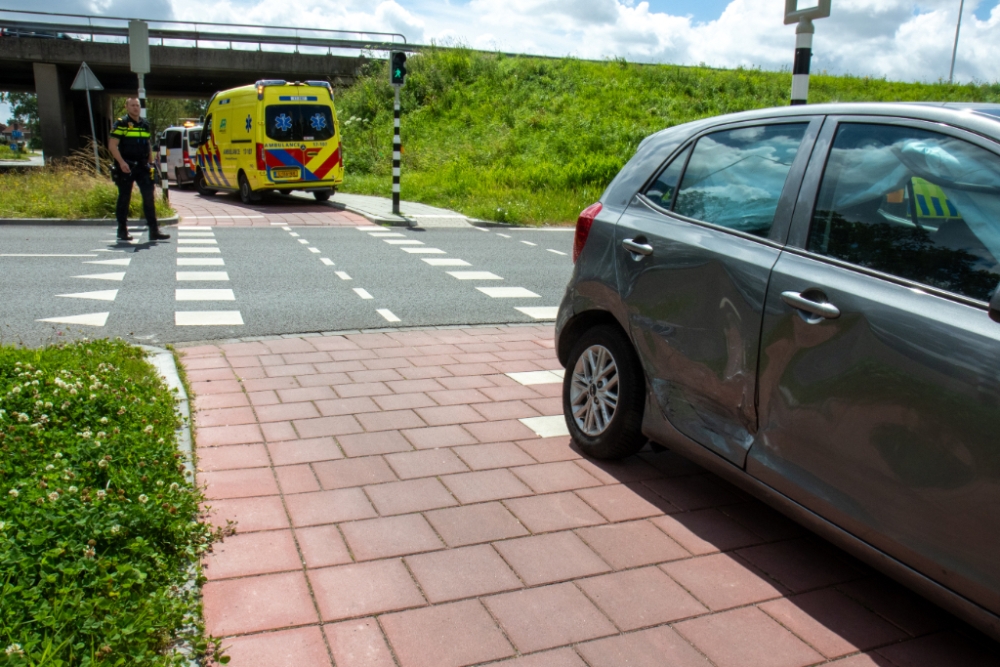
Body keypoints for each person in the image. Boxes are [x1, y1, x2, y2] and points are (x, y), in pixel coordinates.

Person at [108, 98, 169, 242]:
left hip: (142, 166)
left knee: (149, 197)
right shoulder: (121, 124)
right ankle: (122, 230)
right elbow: (112, 145)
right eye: (132, 105)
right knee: (124, 198)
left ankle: (154, 230)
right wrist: (121, 162)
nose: (135, 108)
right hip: (126, 166)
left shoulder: (144, 124)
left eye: (137, 105)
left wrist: (151, 162)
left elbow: (147, 144)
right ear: (127, 107)